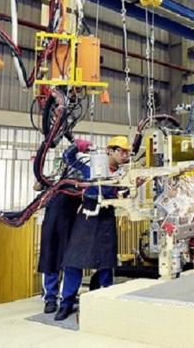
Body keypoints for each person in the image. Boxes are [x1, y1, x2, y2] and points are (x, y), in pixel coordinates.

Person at [54, 136, 130, 321]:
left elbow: (126, 192)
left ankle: (105, 300)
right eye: (121, 150)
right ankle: (66, 303)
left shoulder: (124, 175)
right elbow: (68, 158)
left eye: (127, 152)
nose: (125, 155)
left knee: (106, 263)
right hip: (86, 215)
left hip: (106, 217)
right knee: (73, 261)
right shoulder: (91, 168)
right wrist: (76, 147)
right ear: (109, 151)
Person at [35, 140, 84, 314]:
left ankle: (67, 298)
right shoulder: (55, 175)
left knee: (71, 261)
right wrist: (47, 181)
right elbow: (37, 185)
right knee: (50, 259)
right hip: (52, 222)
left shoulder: (82, 172)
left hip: (73, 222)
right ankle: (50, 298)